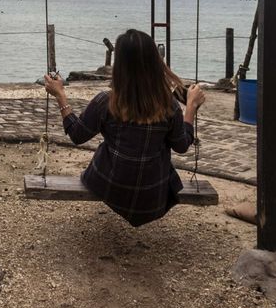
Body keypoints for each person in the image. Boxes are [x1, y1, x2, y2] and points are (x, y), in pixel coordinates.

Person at [42, 28, 205, 226]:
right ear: (155, 63)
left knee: (107, 150)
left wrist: (60, 96)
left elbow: (77, 135)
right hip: (152, 196)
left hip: (109, 186)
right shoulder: (168, 105)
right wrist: (191, 107)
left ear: (119, 66)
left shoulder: (106, 102)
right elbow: (181, 145)